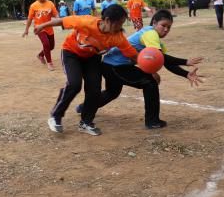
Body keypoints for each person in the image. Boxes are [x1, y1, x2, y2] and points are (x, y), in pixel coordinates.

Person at [75, 9, 203, 128]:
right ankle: (152, 121)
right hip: (115, 66)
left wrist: (186, 74)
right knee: (150, 82)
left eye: (168, 27)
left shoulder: (154, 38)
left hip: (110, 65)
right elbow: (162, 57)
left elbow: (165, 62)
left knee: (112, 93)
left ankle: (84, 108)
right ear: (154, 23)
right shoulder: (150, 33)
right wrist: (185, 61)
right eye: (163, 25)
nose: (166, 30)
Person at [34, 4, 137, 136]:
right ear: (107, 20)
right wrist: (42, 26)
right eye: (118, 23)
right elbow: (61, 21)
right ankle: (55, 116)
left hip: (92, 58)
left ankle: (86, 122)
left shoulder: (118, 37)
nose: (120, 27)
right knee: (74, 84)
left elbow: (132, 54)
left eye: (122, 23)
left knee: (94, 89)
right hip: (71, 53)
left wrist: (149, 68)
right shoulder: (86, 22)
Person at [23, 0, 59, 71]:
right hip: (39, 28)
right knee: (46, 44)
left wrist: (58, 19)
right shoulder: (33, 6)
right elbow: (29, 19)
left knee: (51, 46)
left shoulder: (50, 4)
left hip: (49, 28)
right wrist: (26, 30)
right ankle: (50, 63)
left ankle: (40, 55)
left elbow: (56, 14)